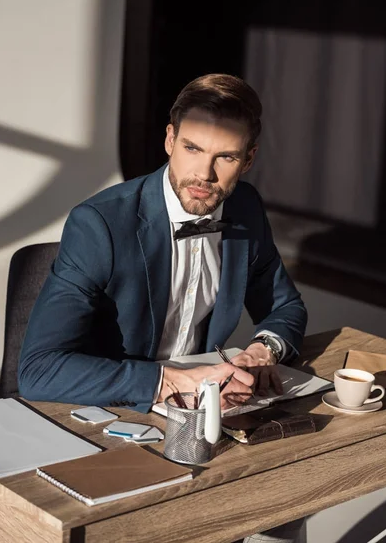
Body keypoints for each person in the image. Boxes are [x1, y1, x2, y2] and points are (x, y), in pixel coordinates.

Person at [19, 74, 307, 542]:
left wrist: (260, 353)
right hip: (108, 419)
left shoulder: (246, 209)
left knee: (291, 491)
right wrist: (169, 380)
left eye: (226, 157)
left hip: (205, 416)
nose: (205, 174)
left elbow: (286, 308)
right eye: (192, 149)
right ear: (170, 139)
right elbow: (38, 370)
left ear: (248, 160)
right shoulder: (100, 224)